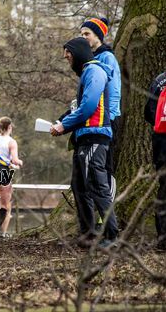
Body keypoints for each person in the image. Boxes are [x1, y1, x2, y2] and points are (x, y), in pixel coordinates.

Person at [50, 37, 118, 248]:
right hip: (84, 138)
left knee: (97, 186)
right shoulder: (87, 74)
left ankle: (111, 236)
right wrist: (63, 124)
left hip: (95, 137)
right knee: (79, 186)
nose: (66, 58)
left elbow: (88, 107)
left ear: (78, 52)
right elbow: (79, 108)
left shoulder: (95, 71)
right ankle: (88, 234)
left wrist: (63, 125)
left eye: (68, 54)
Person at [81, 17, 120, 199]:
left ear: (98, 35)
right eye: (81, 34)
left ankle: (107, 212)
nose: (84, 37)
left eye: (87, 34)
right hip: (94, 120)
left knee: (106, 167)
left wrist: (110, 117)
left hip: (107, 119)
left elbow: (114, 90)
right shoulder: (91, 58)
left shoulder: (107, 57)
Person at [144, 71, 166, 250]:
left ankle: (162, 238)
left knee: (165, 191)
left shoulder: (160, 80)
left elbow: (149, 113)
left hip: (163, 147)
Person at [0, 117, 23, 237]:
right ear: (9, 127)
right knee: (4, 205)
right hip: (2, 171)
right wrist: (20, 162)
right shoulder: (11, 141)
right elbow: (14, 160)